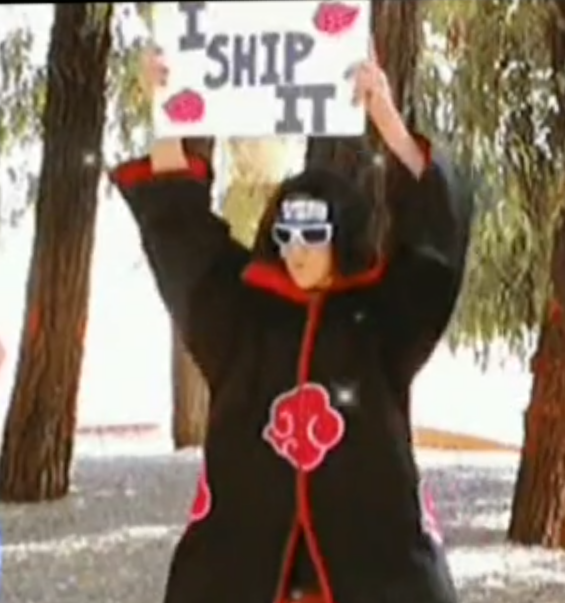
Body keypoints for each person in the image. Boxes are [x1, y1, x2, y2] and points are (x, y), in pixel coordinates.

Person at [110, 45, 473, 603]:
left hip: (374, 569)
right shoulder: (242, 315)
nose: (297, 250)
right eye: (286, 234)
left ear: (342, 236)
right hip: (248, 568)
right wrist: (165, 114)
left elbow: (434, 245)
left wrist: (388, 122)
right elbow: (181, 234)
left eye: (313, 234)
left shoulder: (382, 319)